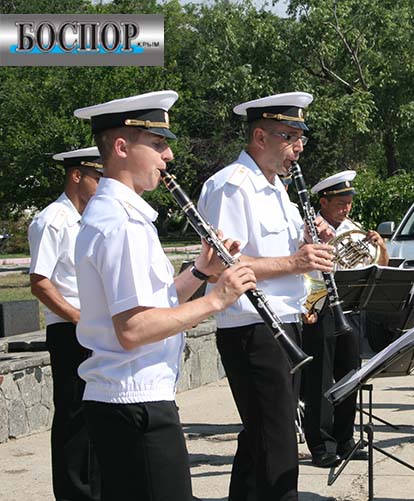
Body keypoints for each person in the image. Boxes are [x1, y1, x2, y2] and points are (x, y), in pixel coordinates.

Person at [73, 90, 256, 501]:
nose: (168, 155)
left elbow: (148, 304)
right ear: (122, 147)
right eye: (157, 144)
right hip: (135, 404)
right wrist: (217, 300)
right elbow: (134, 329)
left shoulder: (119, 215)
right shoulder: (122, 224)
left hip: (129, 401)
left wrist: (200, 272)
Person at [197, 92, 335, 501]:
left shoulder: (278, 190)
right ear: (260, 137)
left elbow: (290, 257)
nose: (299, 147)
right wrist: (295, 261)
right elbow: (223, 265)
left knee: (262, 436)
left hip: (284, 320)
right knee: (276, 440)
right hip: (251, 325)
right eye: (289, 136)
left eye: (301, 138)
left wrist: (311, 242)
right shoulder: (231, 186)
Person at [28, 146, 102, 501]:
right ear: (76, 175)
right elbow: (40, 282)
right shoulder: (52, 220)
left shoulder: (91, 220)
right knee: (74, 417)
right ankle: (75, 494)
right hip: (70, 329)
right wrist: (76, 318)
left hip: (94, 328)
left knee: (96, 415)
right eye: (97, 177)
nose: (103, 185)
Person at [301, 170, 388, 467]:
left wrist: (381, 246)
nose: (346, 208)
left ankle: (345, 438)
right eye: (340, 203)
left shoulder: (353, 229)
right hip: (318, 307)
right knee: (320, 380)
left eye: (349, 202)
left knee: (350, 377)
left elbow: (378, 266)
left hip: (349, 308)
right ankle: (321, 444)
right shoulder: (309, 228)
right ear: (323, 201)